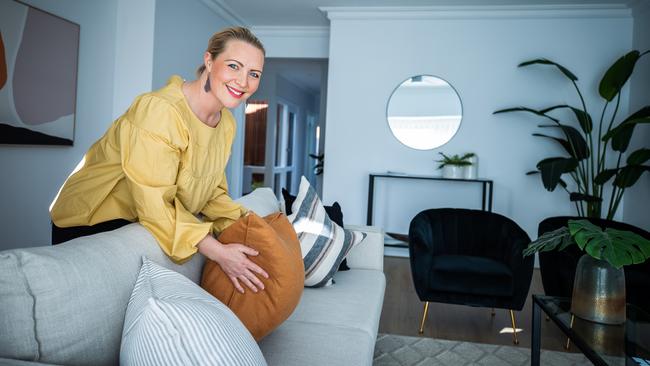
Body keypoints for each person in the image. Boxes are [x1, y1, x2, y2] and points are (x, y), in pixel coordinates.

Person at [50, 27, 268, 294]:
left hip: (137, 220)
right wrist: (219, 252)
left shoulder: (226, 125)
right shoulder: (160, 111)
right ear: (209, 61)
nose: (243, 82)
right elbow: (153, 203)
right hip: (91, 221)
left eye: (254, 74)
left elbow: (211, 193)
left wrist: (256, 225)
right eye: (234, 66)